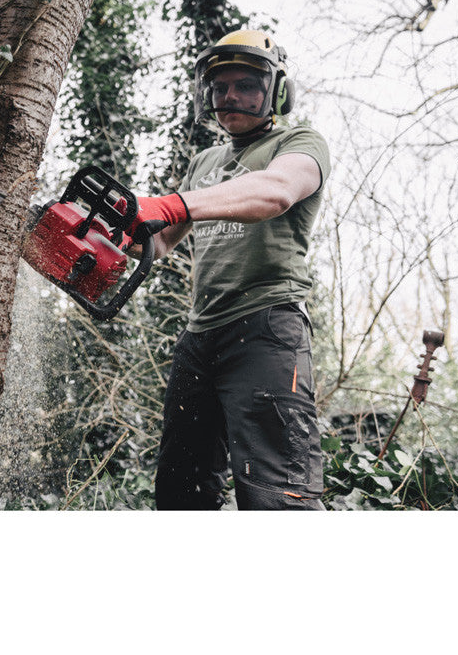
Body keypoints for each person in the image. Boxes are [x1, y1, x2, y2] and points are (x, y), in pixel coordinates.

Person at [128, 29, 331, 510]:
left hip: (266, 326)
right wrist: (112, 232)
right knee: (180, 488)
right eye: (219, 87)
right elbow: (160, 241)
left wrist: (171, 203)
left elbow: (274, 192)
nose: (229, 97)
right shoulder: (204, 161)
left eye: (246, 85)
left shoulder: (299, 143)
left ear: (277, 91)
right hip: (200, 335)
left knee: (277, 492)